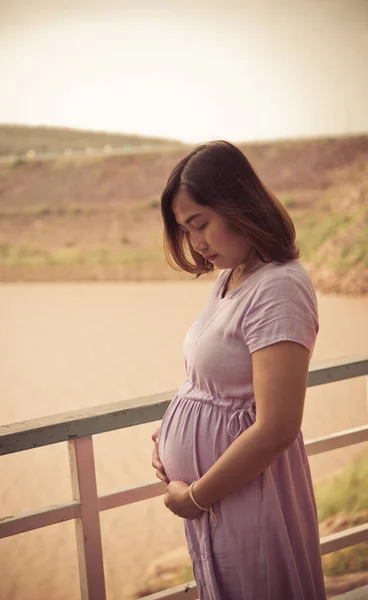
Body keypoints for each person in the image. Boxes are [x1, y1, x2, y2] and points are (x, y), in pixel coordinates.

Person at [151, 140, 326, 600]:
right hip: (220, 497)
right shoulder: (231, 276)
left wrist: (194, 498)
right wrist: (170, 433)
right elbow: (213, 383)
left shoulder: (279, 287)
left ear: (238, 204)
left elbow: (277, 427)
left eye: (200, 224)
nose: (196, 243)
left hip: (249, 496)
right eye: (187, 231)